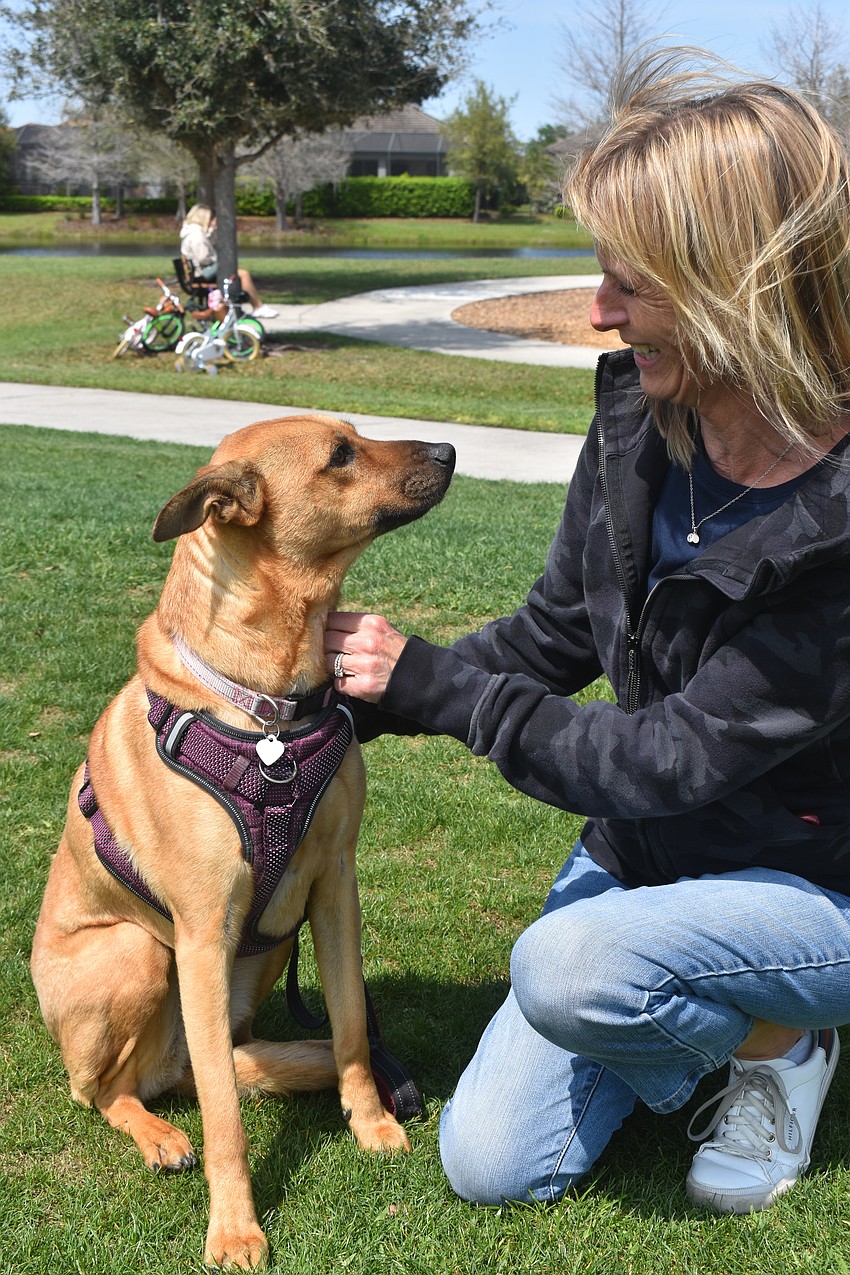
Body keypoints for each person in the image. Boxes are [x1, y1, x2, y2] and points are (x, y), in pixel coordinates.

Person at [323, 46, 850, 1215]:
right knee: (492, 1164)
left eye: (631, 284)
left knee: (568, 968)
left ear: (737, 285)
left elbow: (671, 759)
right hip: (652, 855)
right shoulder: (642, 420)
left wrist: (441, 690)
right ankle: (703, 1000)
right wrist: (355, 703)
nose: (600, 313)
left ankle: (784, 1037)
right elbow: (557, 634)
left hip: (818, 883)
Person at [178, 203, 277, 319]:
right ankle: (257, 306)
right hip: (202, 274)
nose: (213, 221)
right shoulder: (196, 236)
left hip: (199, 272)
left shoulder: (193, 233)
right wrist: (219, 261)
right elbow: (203, 258)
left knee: (237, 272)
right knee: (243, 274)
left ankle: (253, 306)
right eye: (211, 218)